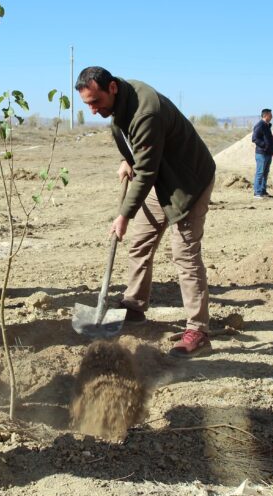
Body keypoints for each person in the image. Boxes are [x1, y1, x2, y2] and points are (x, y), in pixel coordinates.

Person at [76, 66, 216, 358]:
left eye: (95, 102)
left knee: (185, 253)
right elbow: (136, 145)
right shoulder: (123, 97)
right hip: (161, 177)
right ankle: (135, 307)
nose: (92, 110)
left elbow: (147, 172)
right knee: (140, 241)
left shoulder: (145, 111)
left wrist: (123, 215)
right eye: (87, 104)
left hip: (187, 182)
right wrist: (129, 159)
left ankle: (199, 330)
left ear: (111, 87)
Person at [251, 108, 273, 198]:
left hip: (268, 153)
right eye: (270, 114)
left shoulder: (267, 125)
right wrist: (265, 145)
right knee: (260, 173)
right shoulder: (260, 125)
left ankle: (263, 191)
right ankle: (257, 192)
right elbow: (254, 138)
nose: (272, 116)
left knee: (265, 173)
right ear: (265, 115)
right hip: (261, 153)